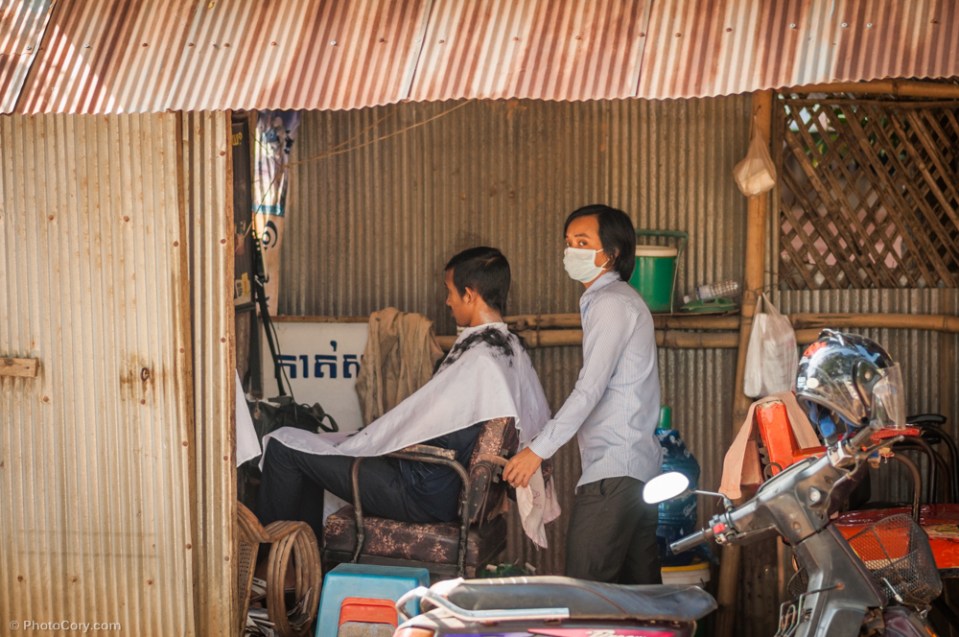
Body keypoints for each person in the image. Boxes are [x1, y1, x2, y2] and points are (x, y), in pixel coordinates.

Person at [256, 246, 550, 544]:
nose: (447, 301)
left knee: (284, 448)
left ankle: (274, 567)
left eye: (449, 291)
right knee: (316, 450)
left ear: (470, 294)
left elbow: (427, 424)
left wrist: (375, 438)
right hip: (439, 484)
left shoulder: (480, 361)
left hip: (421, 492)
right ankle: (301, 564)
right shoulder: (508, 349)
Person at [503, 204, 663, 584]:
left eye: (583, 241)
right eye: (568, 242)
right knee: (642, 602)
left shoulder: (611, 304)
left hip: (615, 474)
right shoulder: (612, 302)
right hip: (632, 471)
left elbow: (589, 391)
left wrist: (536, 450)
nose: (570, 250)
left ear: (611, 253)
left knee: (587, 593)